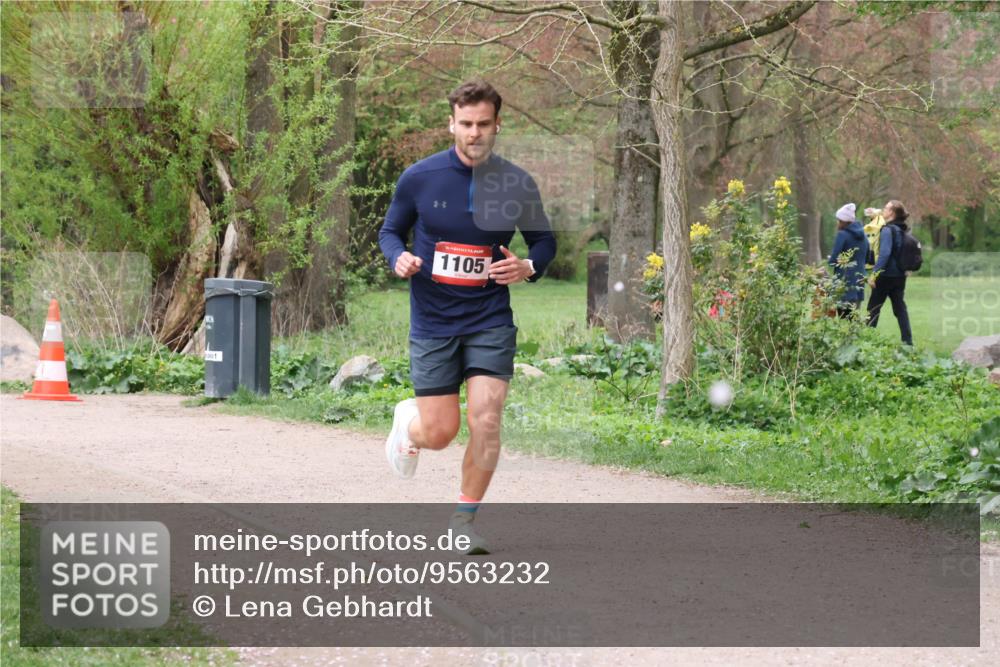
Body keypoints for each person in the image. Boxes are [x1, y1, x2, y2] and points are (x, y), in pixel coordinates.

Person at [378, 80, 557, 555]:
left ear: (498, 124)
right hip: (434, 320)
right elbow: (391, 231)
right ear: (451, 123)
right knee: (440, 433)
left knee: (487, 421)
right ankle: (410, 425)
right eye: (466, 124)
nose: (474, 133)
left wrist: (528, 266)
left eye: (483, 124)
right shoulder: (420, 177)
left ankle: (463, 521)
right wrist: (398, 258)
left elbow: (544, 242)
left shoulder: (517, 182)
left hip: (489, 317)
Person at [866, 200, 913, 345]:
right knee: (900, 309)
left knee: (873, 308)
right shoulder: (902, 230)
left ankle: (866, 341)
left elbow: (884, 254)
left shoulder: (887, 230)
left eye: (886, 208)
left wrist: (874, 275)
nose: (883, 210)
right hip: (900, 276)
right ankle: (908, 343)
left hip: (885, 275)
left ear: (892, 213)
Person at [827, 203, 869, 318]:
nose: (837, 223)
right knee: (853, 320)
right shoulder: (864, 236)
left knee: (843, 319)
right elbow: (869, 258)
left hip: (844, 282)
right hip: (859, 282)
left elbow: (833, 260)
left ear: (844, 221)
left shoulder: (842, 235)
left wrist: (830, 259)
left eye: (839, 220)